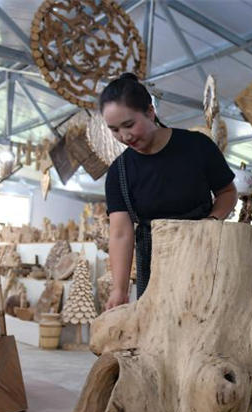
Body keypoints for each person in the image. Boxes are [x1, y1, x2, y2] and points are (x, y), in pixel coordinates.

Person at [101, 73, 237, 309]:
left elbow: (227, 193)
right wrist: (119, 289)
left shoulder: (197, 146)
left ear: (150, 112)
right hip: (153, 266)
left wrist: (211, 222)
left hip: (203, 257)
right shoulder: (119, 172)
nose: (124, 137)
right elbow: (121, 233)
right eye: (114, 130)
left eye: (129, 125)